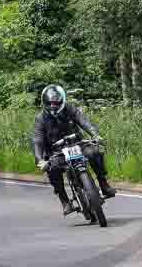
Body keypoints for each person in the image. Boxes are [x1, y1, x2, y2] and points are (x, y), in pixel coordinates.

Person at [31, 84, 116, 216]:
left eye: (56, 103)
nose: (53, 106)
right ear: (44, 102)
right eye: (50, 103)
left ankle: (103, 183)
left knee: (95, 151)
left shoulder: (70, 109)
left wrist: (95, 134)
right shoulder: (40, 119)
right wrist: (40, 160)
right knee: (52, 169)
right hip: (56, 152)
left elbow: (84, 122)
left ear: (62, 101)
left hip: (77, 144)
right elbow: (37, 140)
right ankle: (65, 201)